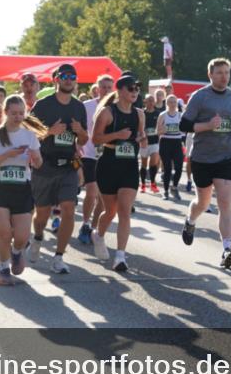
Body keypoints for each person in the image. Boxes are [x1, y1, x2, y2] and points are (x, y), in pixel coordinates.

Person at [179, 58, 231, 268]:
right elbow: (184, 125)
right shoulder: (200, 97)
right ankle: (190, 220)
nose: (224, 77)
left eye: (227, 72)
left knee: (225, 203)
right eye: (219, 73)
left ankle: (227, 250)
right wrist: (208, 125)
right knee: (203, 203)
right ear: (210, 75)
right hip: (202, 158)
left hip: (227, 157)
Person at [27, 64, 88, 274]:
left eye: (72, 76)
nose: (69, 80)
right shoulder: (43, 105)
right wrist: (49, 132)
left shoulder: (78, 107)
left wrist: (80, 132)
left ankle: (59, 257)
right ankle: (37, 238)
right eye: (64, 76)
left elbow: (84, 140)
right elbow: (29, 135)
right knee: (42, 215)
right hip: (45, 165)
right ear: (57, 79)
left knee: (69, 209)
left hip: (68, 166)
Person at [0, 95, 46, 286]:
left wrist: (36, 157)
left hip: (22, 189)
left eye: (21, 113)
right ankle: (3, 270)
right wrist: (8, 154)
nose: (18, 117)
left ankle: (17, 252)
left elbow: (39, 164)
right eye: (13, 113)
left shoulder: (29, 136)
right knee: (4, 234)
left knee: (21, 237)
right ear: (5, 112)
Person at [91, 72, 146, 272]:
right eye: (131, 88)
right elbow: (95, 139)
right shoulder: (107, 112)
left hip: (129, 165)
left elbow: (141, 137)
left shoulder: (139, 114)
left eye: (137, 89)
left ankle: (120, 256)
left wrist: (142, 139)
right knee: (110, 211)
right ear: (120, 91)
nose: (135, 92)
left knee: (124, 210)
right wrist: (118, 135)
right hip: (109, 164)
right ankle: (98, 235)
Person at [78, 73, 114, 246]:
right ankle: (85, 224)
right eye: (103, 87)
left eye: (109, 87)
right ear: (97, 88)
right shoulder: (87, 106)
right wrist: (77, 146)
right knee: (92, 192)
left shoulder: (115, 107)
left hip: (108, 156)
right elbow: (79, 128)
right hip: (89, 154)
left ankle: (93, 227)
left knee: (103, 198)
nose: (106, 90)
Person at [157, 94, 185, 201]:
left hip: (177, 142)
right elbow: (157, 131)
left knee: (179, 167)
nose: (173, 104)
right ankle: (165, 191)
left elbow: (184, 131)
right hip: (165, 142)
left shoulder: (180, 115)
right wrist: (162, 130)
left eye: (174, 102)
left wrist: (182, 132)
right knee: (167, 168)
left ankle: (174, 187)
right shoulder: (162, 115)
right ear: (167, 103)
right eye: (170, 102)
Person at [139, 93, 162, 194]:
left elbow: (161, 126)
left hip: (155, 142)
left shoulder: (158, 114)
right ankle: (143, 184)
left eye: (152, 100)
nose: (151, 102)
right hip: (144, 142)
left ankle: (153, 183)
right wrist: (142, 137)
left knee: (153, 161)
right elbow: (138, 127)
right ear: (145, 102)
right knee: (144, 164)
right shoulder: (142, 113)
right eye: (149, 100)